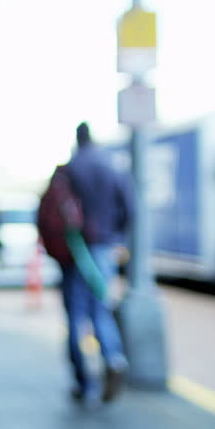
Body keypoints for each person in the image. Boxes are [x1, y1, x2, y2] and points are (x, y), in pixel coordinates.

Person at [60, 122, 134, 405]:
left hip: (74, 248)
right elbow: (130, 207)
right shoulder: (109, 165)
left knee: (76, 317)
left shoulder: (70, 168)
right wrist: (116, 236)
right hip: (102, 246)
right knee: (101, 309)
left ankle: (83, 380)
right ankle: (113, 358)